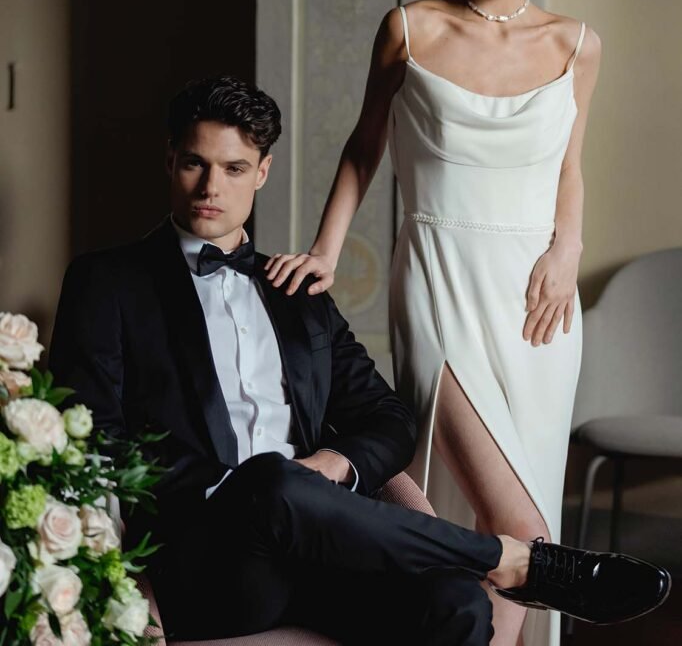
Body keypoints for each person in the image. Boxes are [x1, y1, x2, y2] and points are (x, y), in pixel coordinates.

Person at [49, 75, 669, 645]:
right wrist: (253, 486)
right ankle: (515, 559)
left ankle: (489, 564)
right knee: (271, 479)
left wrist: (339, 464)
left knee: (456, 602)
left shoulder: (297, 291)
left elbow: (388, 418)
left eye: (234, 168)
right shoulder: (108, 283)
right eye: (195, 164)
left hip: (323, 553)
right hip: (209, 563)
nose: (212, 188)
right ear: (170, 161)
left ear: (262, 172)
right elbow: (93, 438)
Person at [264, 0, 601, 646]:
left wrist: (567, 253)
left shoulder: (576, 43)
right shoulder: (411, 27)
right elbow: (362, 148)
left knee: (530, 523)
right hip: (440, 281)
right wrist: (325, 250)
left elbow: (572, 167)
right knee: (513, 523)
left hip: (540, 301)